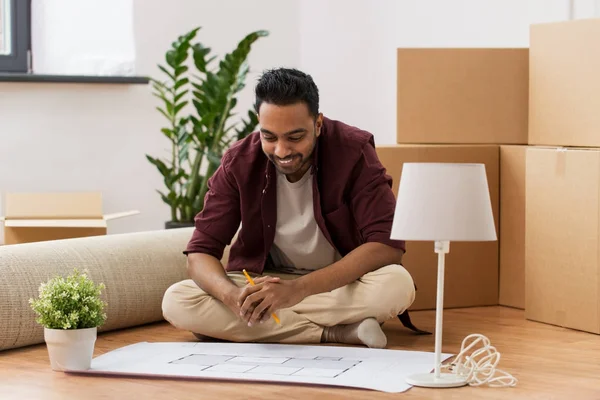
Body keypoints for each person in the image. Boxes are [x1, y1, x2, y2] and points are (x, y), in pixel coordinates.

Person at [162, 67, 416, 349]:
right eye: (269, 137)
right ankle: (340, 332)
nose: (282, 150)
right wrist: (231, 298)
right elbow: (199, 252)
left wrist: (299, 290)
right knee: (178, 300)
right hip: (268, 280)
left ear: (318, 124)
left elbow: (386, 244)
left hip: (338, 283)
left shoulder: (352, 150)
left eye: (295, 137)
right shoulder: (239, 161)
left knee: (397, 284)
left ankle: (256, 328)